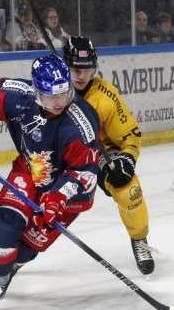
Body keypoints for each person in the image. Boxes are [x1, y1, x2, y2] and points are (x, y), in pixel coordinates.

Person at [0, 55, 101, 310]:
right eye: (51, 95)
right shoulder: (19, 96)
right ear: (36, 89)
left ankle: (9, 266)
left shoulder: (80, 124)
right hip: (33, 168)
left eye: (64, 93)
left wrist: (58, 197)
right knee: (7, 222)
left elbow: (84, 173)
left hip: (69, 192)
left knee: (26, 249)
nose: (59, 101)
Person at [62, 37, 156, 276]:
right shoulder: (51, 89)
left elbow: (131, 136)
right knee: (30, 198)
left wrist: (127, 159)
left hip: (97, 153)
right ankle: (11, 256)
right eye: (74, 69)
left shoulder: (105, 95)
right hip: (60, 156)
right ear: (64, 66)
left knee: (129, 189)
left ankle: (139, 239)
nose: (81, 75)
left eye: (86, 69)